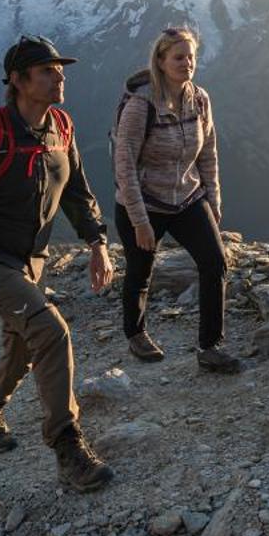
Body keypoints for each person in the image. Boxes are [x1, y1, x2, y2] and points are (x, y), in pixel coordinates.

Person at [0, 35, 117, 492]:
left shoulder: (61, 127)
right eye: (48, 70)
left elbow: (77, 191)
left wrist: (97, 242)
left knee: (22, 344)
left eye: (60, 69)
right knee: (50, 331)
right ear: (17, 80)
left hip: (31, 259)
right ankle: (67, 447)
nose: (60, 76)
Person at [112, 26, 243, 373]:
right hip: (144, 200)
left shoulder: (199, 99)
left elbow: (209, 152)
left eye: (191, 57)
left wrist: (213, 200)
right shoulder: (142, 105)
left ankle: (210, 346)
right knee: (141, 271)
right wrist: (140, 221)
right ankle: (136, 333)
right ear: (161, 60)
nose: (187, 63)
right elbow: (124, 164)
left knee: (214, 263)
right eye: (179, 57)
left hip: (187, 196)